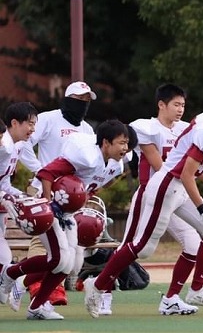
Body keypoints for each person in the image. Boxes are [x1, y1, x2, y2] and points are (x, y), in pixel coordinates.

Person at [82, 102, 203, 318]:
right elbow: (186, 174)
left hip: (180, 187)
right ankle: (98, 285)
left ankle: (186, 294)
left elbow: (196, 169)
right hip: (167, 185)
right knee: (142, 247)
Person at [0, 119, 130, 320]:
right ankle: (12, 274)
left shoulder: (111, 163)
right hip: (51, 209)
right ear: (106, 143)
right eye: (121, 142)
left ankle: (35, 305)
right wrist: (47, 202)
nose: (125, 148)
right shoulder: (87, 157)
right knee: (59, 259)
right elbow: (46, 173)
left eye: (126, 143)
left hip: (67, 212)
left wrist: (81, 198)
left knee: (70, 265)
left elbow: (91, 185)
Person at [101, 83, 198, 316]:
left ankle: (171, 298)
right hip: (152, 195)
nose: (180, 109)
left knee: (194, 244)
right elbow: (161, 167)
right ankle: (102, 291)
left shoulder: (186, 129)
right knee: (130, 247)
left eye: (183, 105)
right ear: (161, 104)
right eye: (176, 104)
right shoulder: (148, 128)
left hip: (177, 195)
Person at [17, 81, 98, 305]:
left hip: (71, 192)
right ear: (68, 98)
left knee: (65, 241)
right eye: (79, 99)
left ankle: (52, 288)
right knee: (41, 235)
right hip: (43, 185)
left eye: (87, 101)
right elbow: (24, 143)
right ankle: (35, 285)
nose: (83, 104)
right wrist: (39, 170)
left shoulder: (87, 129)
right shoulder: (49, 119)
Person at [0, 103, 37, 305]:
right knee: (5, 258)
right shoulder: (3, 145)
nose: (32, 129)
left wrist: (22, 197)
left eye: (34, 124)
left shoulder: (18, 145)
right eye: (29, 124)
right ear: (14, 123)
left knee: (4, 258)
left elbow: (5, 183)